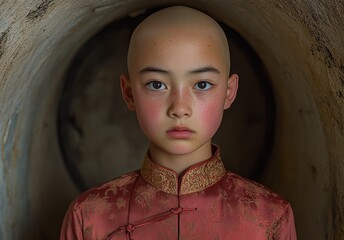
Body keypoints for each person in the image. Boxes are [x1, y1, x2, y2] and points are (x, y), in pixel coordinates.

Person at [60, 5, 297, 240]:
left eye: (202, 85)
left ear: (229, 91)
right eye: (157, 84)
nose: (179, 108)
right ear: (129, 93)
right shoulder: (89, 217)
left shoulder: (270, 218)